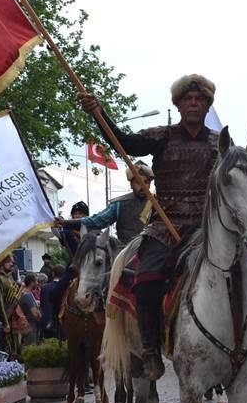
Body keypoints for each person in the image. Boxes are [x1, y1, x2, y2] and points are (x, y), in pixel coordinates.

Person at [79, 73, 220, 380]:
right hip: (165, 227)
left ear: (208, 106)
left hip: (205, 227)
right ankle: (151, 351)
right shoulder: (162, 136)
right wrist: (99, 114)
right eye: (187, 100)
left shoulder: (217, 143)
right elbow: (125, 143)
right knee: (146, 280)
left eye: (199, 100)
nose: (193, 104)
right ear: (179, 105)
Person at [18, 274, 42, 346]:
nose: (37, 283)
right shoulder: (27, 295)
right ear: (32, 283)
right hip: (31, 326)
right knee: (31, 348)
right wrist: (40, 316)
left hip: (27, 326)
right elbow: (35, 313)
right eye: (36, 281)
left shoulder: (25, 293)